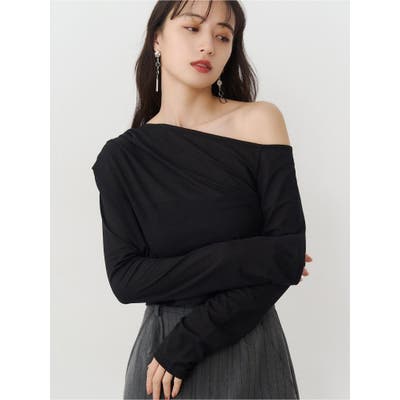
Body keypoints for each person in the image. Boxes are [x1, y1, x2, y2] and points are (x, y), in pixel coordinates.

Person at [92, 1, 312, 399]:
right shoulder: (121, 158)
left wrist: (189, 340)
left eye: (223, 36)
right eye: (192, 28)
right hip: (161, 367)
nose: (208, 45)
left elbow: (288, 254)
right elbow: (126, 279)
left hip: (244, 348)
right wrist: (257, 256)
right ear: (157, 39)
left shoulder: (259, 122)